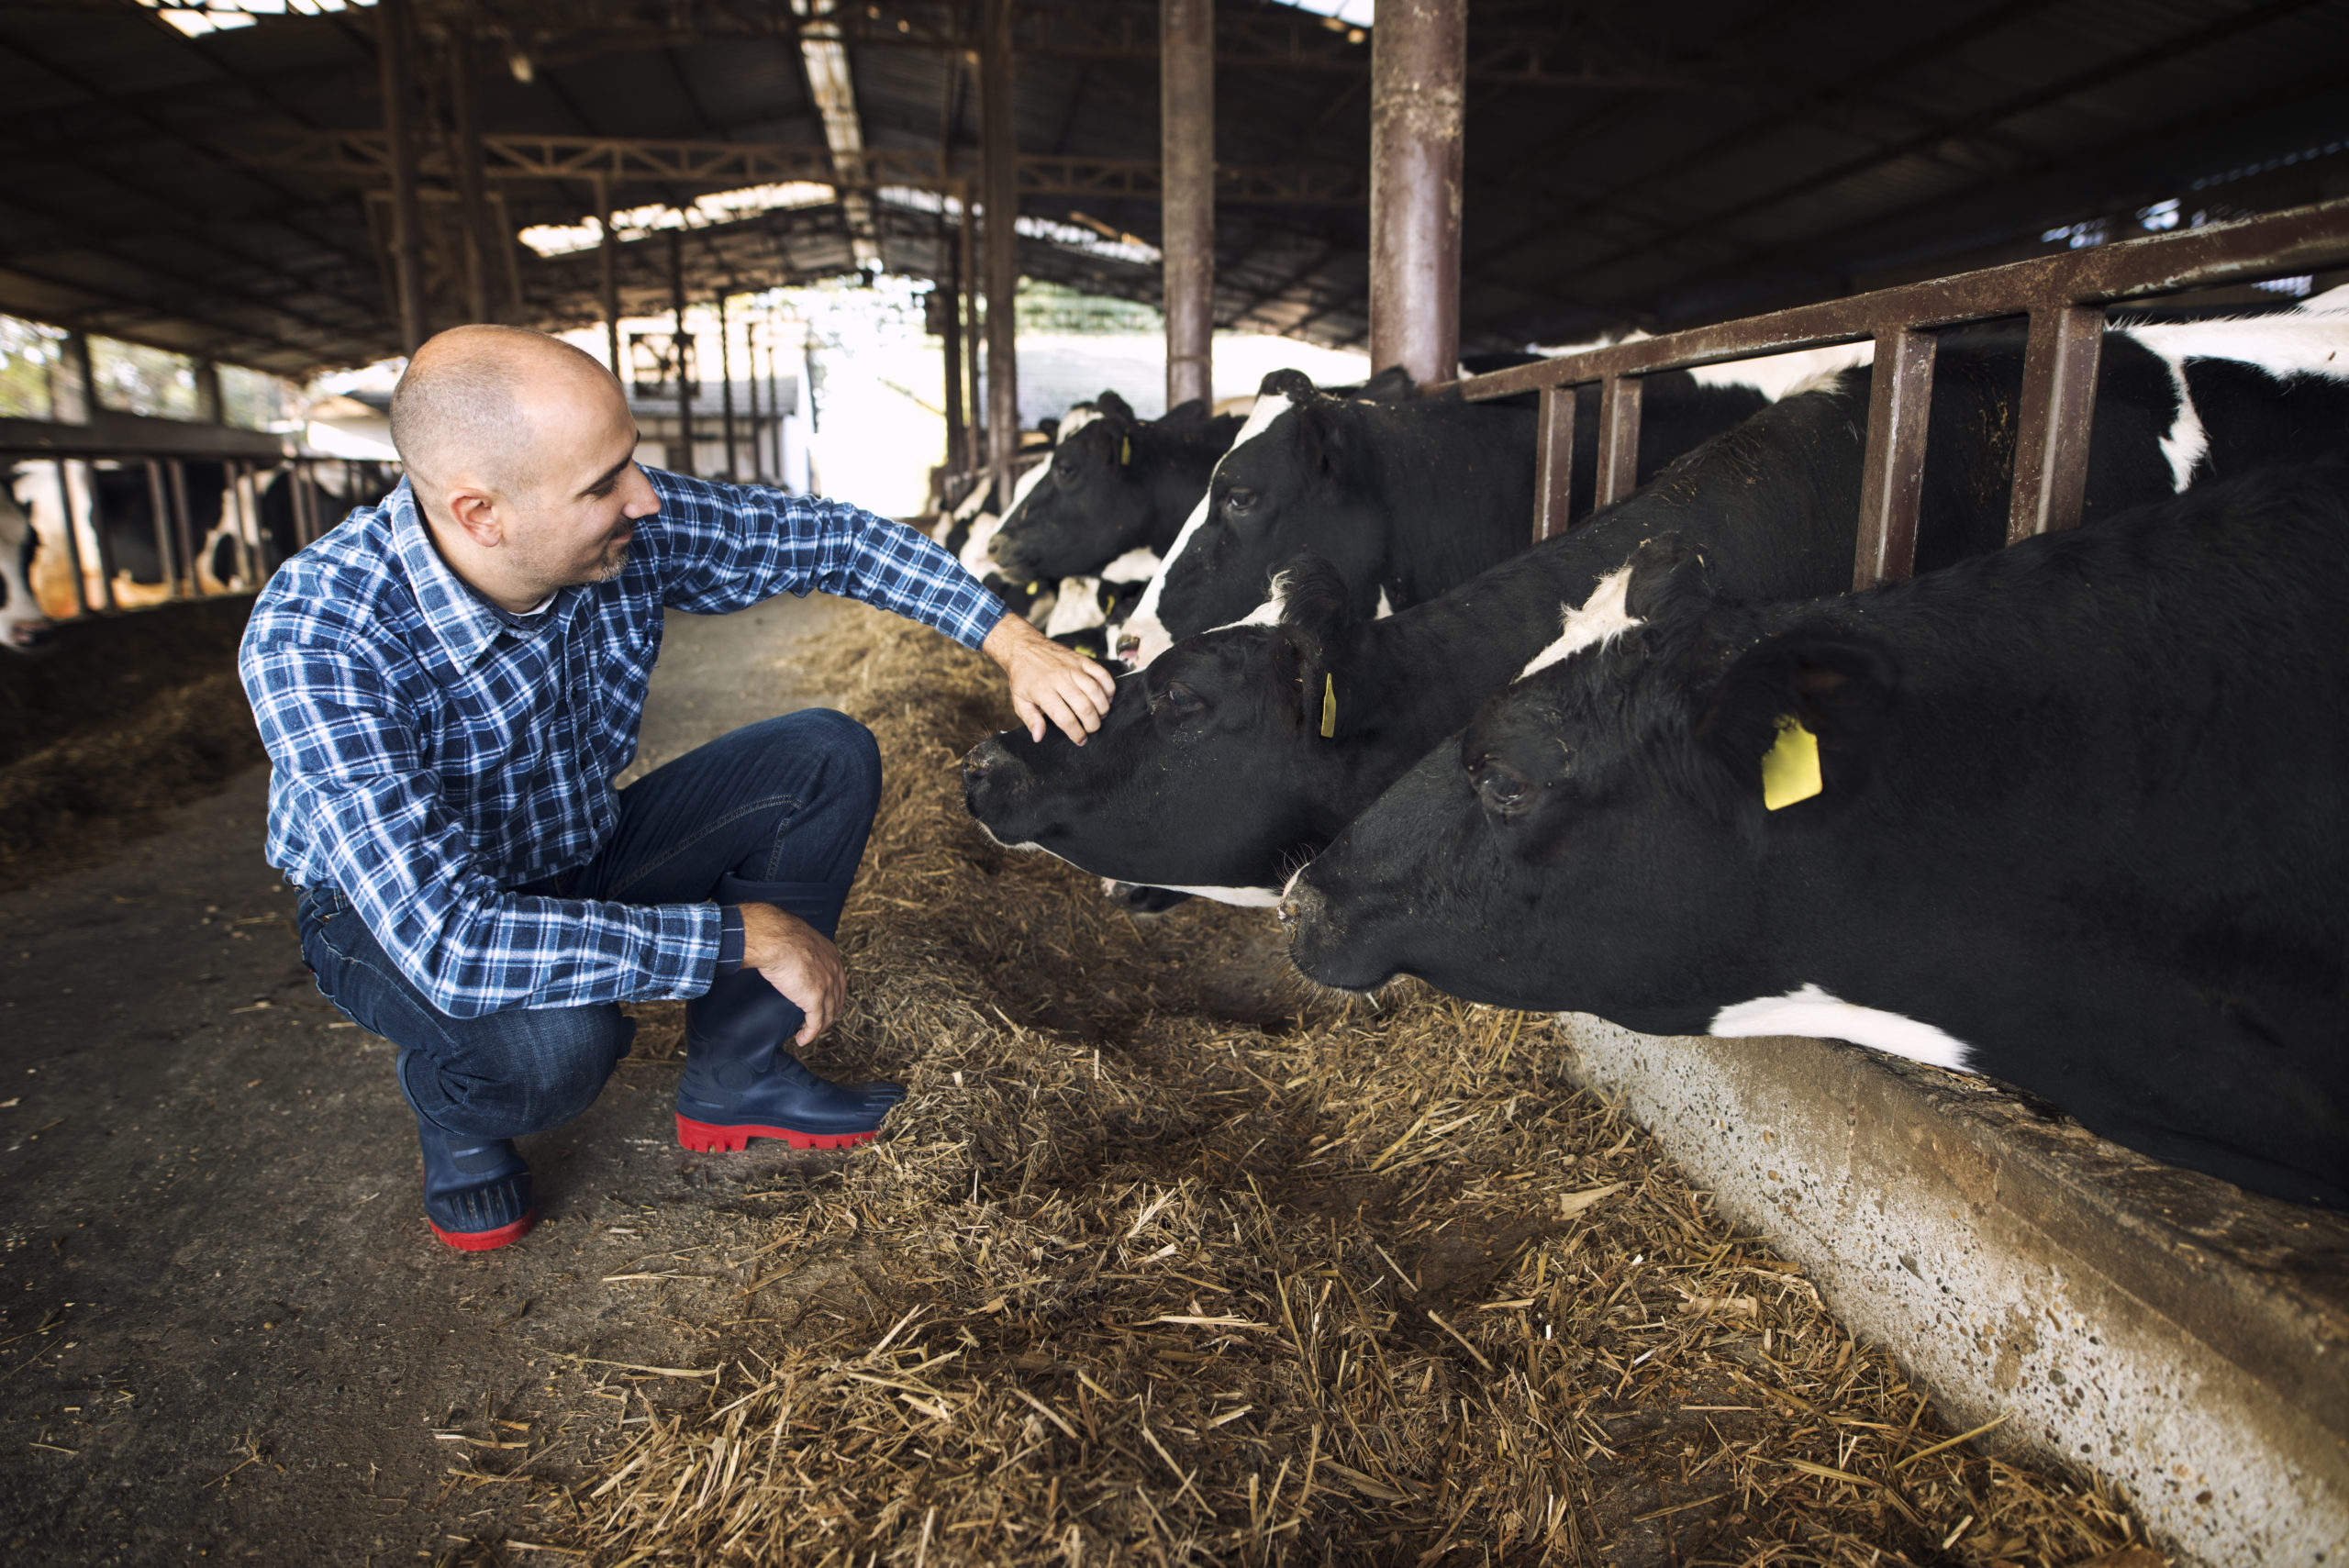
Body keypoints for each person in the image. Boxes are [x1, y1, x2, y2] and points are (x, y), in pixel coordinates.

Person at [239, 325, 1114, 1251]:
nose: (643, 497)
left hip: (577, 843)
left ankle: (738, 1075)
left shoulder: (632, 526)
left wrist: (1013, 640)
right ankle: (458, 1109)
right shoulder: (321, 635)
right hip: (392, 919)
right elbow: (454, 941)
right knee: (555, 1046)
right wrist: (742, 933)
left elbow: (835, 541)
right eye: (602, 483)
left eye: (630, 463)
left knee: (820, 754)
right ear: (481, 513)